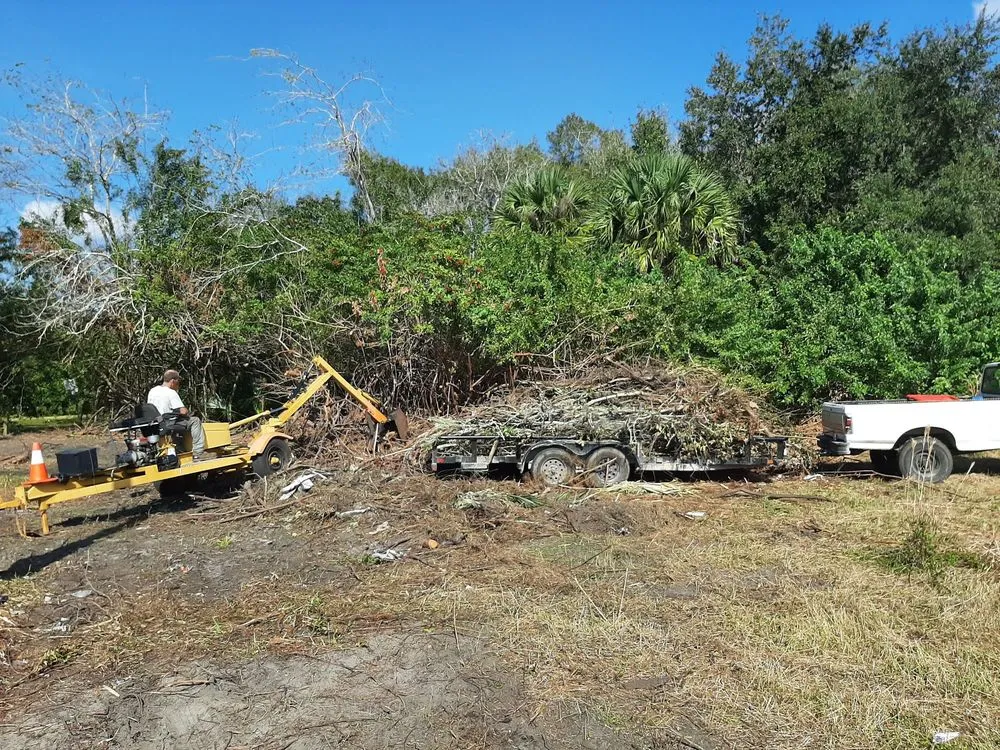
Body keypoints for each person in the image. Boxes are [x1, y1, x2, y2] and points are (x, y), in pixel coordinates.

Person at [147, 369, 206, 456]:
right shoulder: (171, 392)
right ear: (173, 381)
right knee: (195, 421)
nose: (178, 385)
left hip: (154, 423)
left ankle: (180, 450)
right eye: (178, 382)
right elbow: (183, 411)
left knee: (177, 427)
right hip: (167, 422)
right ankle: (198, 451)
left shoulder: (153, 391)